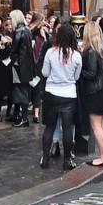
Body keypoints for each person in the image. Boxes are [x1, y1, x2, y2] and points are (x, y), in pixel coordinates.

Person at [40, 23, 82, 171]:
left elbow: (45, 73)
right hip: (69, 95)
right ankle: (67, 159)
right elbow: (77, 77)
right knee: (68, 128)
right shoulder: (76, 55)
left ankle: (45, 158)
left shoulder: (50, 53)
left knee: (49, 127)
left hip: (51, 93)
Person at [79, 20, 103, 167]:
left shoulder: (91, 52)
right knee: (102, 123)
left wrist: (80, 69)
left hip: (95, 92)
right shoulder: (100, 50)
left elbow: (91, 74)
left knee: (96, 126)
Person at [7, 10, 34, 127]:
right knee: (23, 90)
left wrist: (7, 43)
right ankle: (21, 116)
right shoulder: (27, 30)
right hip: (26, 65)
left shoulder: (19, 32)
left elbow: (14, 50)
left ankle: (23, 118)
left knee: (20, 91)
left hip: (19, 66)